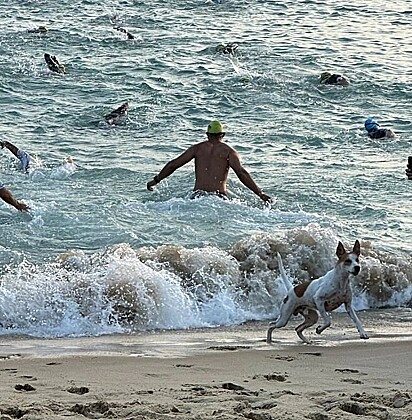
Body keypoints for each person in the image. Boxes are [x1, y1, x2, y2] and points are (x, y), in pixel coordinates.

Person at [147, 120, 271, 203]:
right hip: (219, 198)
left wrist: (155, 180)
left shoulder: (197, 149)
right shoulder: (229, 152)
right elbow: (241, 173)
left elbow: (173, 165)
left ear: (207, 134)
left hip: (198, 197)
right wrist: (260, 194)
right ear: (223, 135)